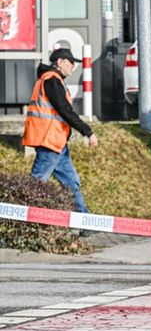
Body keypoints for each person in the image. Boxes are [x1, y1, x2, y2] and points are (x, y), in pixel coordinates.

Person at [23, 48, 96, 213]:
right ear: (60, 62)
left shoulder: (53, 80)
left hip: (57, 142)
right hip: (49, 141)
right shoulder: (52, 80)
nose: (73, 66)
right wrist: (88, 131)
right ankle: (22, 219)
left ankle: (84, 221)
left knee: (71, 182)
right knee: (37, 182)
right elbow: (65, 110)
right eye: (71, 62)